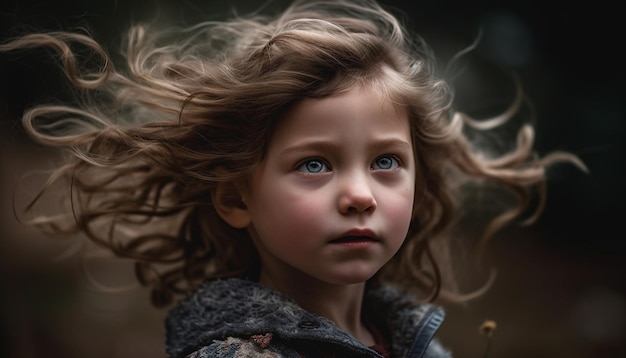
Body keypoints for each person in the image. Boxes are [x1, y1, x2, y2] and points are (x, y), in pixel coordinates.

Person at [1, 0, 586, 357]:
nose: (359, 195)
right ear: (236, 196)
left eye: (386, 162)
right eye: (314, 164)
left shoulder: (415, 339)